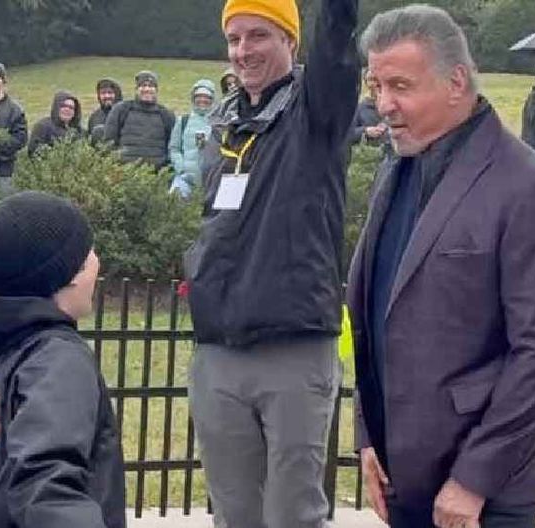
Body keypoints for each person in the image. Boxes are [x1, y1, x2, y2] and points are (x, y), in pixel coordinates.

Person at [348, 5, 535, 528]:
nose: (383, 104)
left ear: (456, 82)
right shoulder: (397, 169)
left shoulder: (527, 187)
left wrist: (473, 479)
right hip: (402, 472)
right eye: (376, 86)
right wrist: (368, 435)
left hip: (484, 493)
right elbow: (371, 314)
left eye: (400, 86)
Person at [183, 0, 360, 525]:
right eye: (234, 38)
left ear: (291, 41)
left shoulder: (316, 110)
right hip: (219, 349)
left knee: (291, 514)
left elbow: (337, 47)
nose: (243, 50)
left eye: (259, 35)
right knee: (233, 513)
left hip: (293, 346)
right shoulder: (226, 124)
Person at [0, 191, 126, 528]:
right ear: (72, 272)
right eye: (90, 251)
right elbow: (47, 481)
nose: (98, 261)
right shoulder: (58, 358)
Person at [103, 71, 175, 168]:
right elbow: (109, 141)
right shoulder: (121, 109)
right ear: (136, 89)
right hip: (125, 170)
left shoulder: (166, 114)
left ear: (156, 90)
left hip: (157, 172)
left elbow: (172, 145)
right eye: (143, 85)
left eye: (151, 86)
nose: (147, 89)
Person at [168, 79, 216, 198]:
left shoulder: (219, 122)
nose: (202, 100)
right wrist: (181, 167)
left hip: (211, 181)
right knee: (174, 202)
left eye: (206, 97)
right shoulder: (183, 121)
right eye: (199, 96)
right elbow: (174, 148)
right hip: (185, 179)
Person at [28, 91, 83, 156]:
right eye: (63, 106)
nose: (67, 109)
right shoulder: (42, 126)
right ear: (57, 107)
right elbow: (34, 152)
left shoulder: (79, 131)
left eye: (71, 108)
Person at [349, 69, 390, 152]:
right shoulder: (361, 107)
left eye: (377, 79)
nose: (375, 83)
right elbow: (349, 133)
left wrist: (387, 123)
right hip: (373, 155)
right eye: (371, 79)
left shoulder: (394, 103)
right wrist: (366, 131)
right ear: (366, 83)